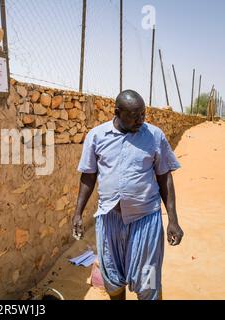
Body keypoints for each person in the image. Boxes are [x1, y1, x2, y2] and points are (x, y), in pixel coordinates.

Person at [72, 90, 184, 300]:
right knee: (112, 279)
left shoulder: (154, 136)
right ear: (117, 112)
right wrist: (77, 213)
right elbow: (88, 176)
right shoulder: (96, 136)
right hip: (109, 221)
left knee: (148, 281)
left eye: (143, 114)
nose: (141, 120)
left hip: (146, 221)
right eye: (135, 116)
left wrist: (173, 220)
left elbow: (164, 178)